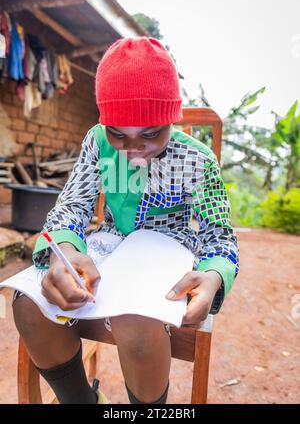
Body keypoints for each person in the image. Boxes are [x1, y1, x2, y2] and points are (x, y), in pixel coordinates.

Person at [12, 37, 239, 404]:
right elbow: (71, 206)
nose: (133, 149)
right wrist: (64, 250)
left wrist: (213, 276)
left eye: (151, 134)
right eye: (118, 133)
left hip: (169, 249)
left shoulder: (198, 161)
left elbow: (220, 238)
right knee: (30, 303)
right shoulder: (96, 141)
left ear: (172, 118)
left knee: (135, 320)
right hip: (110, 241)